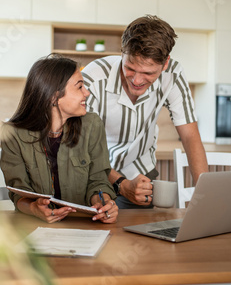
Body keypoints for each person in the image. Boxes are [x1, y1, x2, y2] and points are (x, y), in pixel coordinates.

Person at [81, 15, 208, 209]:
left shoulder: (172, 75)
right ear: (122, 53)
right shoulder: (94, 77)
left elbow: (190, 136)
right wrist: (121, 185)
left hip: (140, 176)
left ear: (165, 64)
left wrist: (208, 198)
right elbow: (81, 147)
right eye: (130, 68)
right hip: (93, 176)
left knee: (141, 237)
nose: (137, 81)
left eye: (148, 73)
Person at [0, 54, 118, 223]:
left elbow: (98, 180)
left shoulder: (92, 124)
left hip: (83, 225)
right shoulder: (12, 133)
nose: (87, 93)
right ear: (54, 97)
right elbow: (18, 191)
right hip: (33, 226)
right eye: (80, 87)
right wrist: (34, 208)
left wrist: (103, 203)